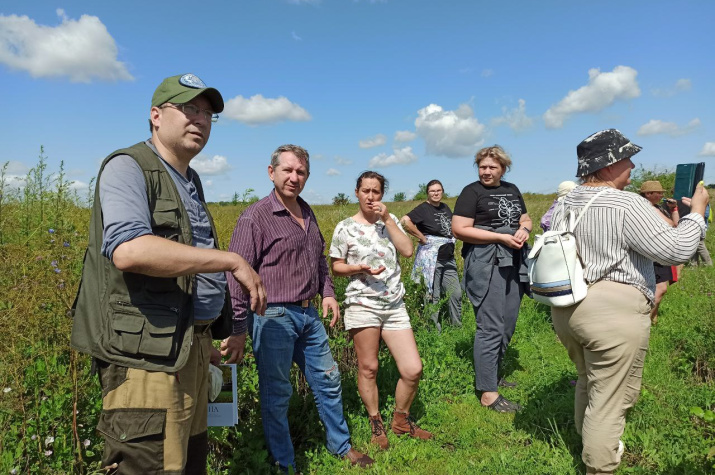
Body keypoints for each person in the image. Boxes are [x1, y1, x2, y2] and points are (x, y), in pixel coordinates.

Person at [70, 73, 267, 474]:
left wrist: (201, 337)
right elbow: (129, 250)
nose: (200, 119)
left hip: (186, 348)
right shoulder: (129, 166)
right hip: (146, 361)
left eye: (208, 113)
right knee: (151, 464)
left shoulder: (190, 180)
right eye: (189, 108)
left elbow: (188, 267)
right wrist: (231, 260)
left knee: (189, 462)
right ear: (156, 116)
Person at [550, 129, 708, 475]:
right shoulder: (626, 203)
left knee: (588, 380)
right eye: (627, 159)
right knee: (609, 399)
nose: (633, 166)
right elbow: (675, 250)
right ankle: (599, 466)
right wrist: (697, 213)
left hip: (567, 306)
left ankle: (589, 441)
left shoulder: (567, 201)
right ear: (607, 166)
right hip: (611, 312)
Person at [227, 145, 373, 471]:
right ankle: (285, 463)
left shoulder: (307, 212)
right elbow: (236, 274)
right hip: (272, 317)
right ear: (271, 172)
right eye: (287, 170)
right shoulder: (255, 217)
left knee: (329, 380)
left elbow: (318, 259)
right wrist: (237, 328)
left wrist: (327, 293)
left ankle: (341, 446)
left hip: (308, 314)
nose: (294, 177)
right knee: (278, 393)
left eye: (301, 172)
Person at [330, 171, 433, 451]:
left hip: (394, 304)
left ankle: (401, 420)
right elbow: (336, 267)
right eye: (365, 190)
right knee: (369, 367)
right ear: (356, 192)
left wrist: (387, 219)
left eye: (376, 191)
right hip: (362, 303)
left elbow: (408, 250)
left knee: (413, 369)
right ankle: (376, 421)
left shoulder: (390, 221)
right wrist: (358, 268)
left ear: (382, 195)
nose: (370, 196)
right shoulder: (345, 227)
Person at [452, 145, 532, 413]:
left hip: (513, 259)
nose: (486, 171)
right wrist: (499, 236)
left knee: (508, 322)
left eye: (492, 167)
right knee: (491, 326)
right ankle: (488, 393)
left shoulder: (512, 189)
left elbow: (525, 218)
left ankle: (493, 375)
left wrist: (524, 230)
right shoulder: (471, 192)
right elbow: (459, 229)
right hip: (486, 262)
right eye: (482, 167)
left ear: (503, 169)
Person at [401, 179, 462, 332]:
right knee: (433, 296)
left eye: (438, 190)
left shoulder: (445, 207)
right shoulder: (423, 208)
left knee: (455, 293)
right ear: (427, 193)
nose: (436, 193)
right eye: (432, 191)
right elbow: (405, 221)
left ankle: (457, 328)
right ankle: (434, 331)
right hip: (432, 260)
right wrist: (421, 237)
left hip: (448, 258)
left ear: (442, 191)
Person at [639, 180, 679, 324]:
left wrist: (674, 209)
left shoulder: (658, 207)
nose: (662, 195)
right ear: (648, 194)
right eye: (659, 193)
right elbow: (670, 224)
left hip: (660, 252)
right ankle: (644, 321)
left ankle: (653, 319)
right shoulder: (646, 208)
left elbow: (676, 225)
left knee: (658, 288)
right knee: (660, 289)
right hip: (651, 252)